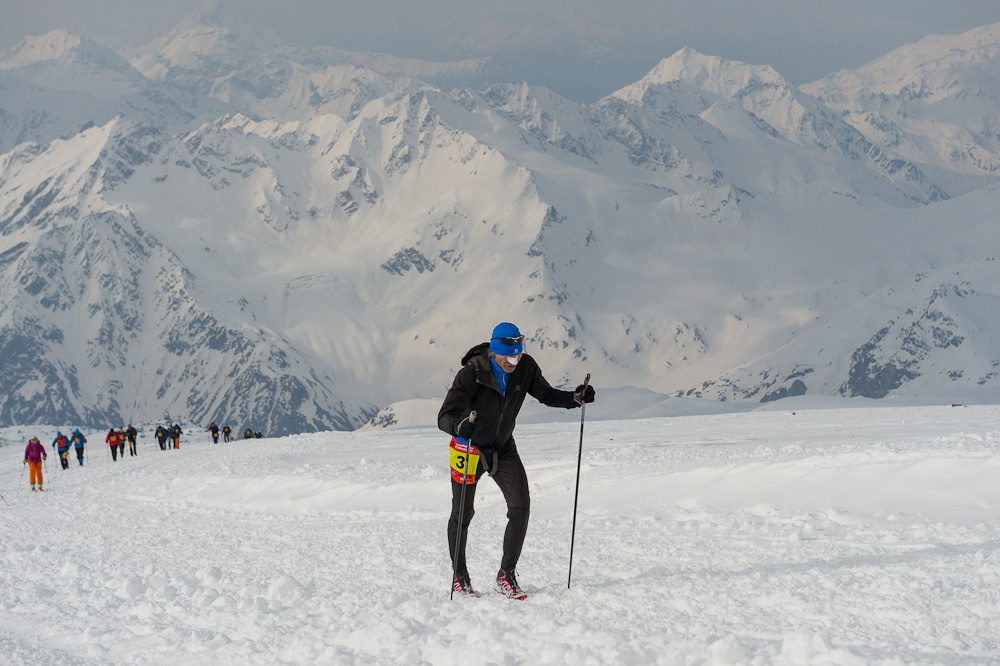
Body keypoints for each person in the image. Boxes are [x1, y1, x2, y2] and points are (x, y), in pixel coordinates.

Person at [437, 322, 595, 599]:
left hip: (503, 447)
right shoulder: (471, 374)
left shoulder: (525, 367)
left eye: (518, 355)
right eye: (509, 357)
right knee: (463, 513)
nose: (514, 361)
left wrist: (574, 398)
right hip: (468, 448)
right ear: (495, 351)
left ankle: (506, 575)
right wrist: (459, 427)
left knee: (520, 506)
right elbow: (444, 416)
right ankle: (459, 576)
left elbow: (546, 395)